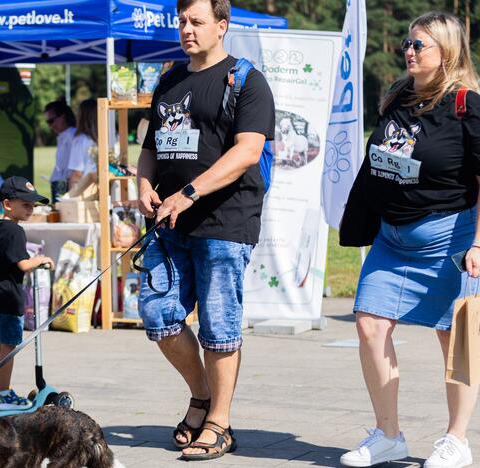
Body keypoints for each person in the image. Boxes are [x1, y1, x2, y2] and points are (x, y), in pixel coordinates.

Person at [339, 12, 480, 468]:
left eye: (419, 46)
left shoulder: (470, 106)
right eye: (408, 45)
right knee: (369, 325)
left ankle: (456, 440)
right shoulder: (400, 98)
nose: (409, 52)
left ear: (447, 52)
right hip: (392, 240)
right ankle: (388, 435)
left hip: (449, 240)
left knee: (455, 341)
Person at [136, 0, 274, 461]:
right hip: (168, 221)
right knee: (158, 315)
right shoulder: (169, 80)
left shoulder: (246, 80)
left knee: (219, 326)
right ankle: (202, 396)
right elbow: (151, 147)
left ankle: (219, 422)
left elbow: (248, 152)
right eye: (181, 21)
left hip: (225, 221)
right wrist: (142, 184)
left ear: (222, 25)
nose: (186, 29)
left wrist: (190, 193)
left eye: (196, 21)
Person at [0, 176, 54, 410]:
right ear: (7, 204)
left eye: (32, 205)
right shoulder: (15, 231)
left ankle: (1, 391)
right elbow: (22, 264)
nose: (30, 209)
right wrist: (42, 260)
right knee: (8, 348)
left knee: (0, 347)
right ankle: (4, 394)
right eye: (25, 204)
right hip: (9, 299)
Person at [44, 100, 76, 203]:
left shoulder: (71, 135)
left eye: (51, 121)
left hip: (65, 185)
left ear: (62, 117)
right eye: (47, 122)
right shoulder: (64, 135)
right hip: (61, 184)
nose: (50, 125)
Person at [67, 99, 98, 191]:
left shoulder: (80, 140)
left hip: (86, 190)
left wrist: (70, 197)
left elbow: (77, 173)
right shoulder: (112, 137)